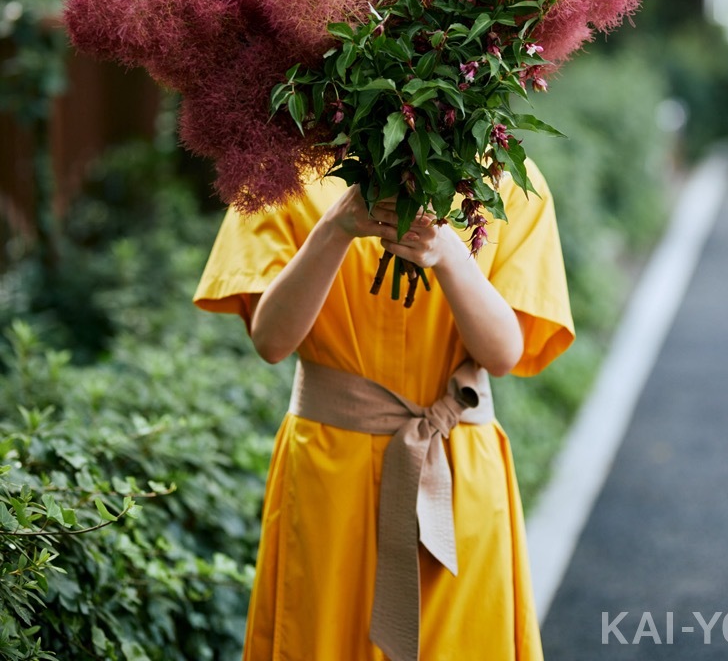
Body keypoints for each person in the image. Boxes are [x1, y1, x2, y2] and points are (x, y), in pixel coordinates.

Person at [193, 158, 574, 661]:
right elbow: (271, 340)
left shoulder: (503, 172)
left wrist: (450, 256)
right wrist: (337, 226)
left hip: (454, 471)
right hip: (330, 473)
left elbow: (504, 354)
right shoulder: (282, 162)